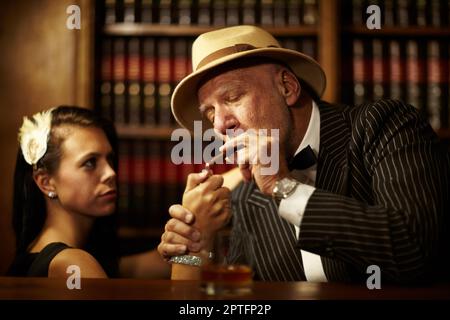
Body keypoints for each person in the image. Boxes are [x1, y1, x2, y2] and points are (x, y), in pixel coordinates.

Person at [158, 25, 450, 284]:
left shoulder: (385, 125)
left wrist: (283, 188)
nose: (220, 124)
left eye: (232, 98)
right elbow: (240, 295)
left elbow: (415, 250)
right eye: (210, 114)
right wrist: (194, 252)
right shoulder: (247, 197)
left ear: (287, 87)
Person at [7, 106, 174, 278]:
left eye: (109, 159)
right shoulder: (71, 264)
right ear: (46, 182)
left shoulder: (60, 254)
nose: (111, 173)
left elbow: (145, 266)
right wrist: (191, 261)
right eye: (90, 163)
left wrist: (194, 240)